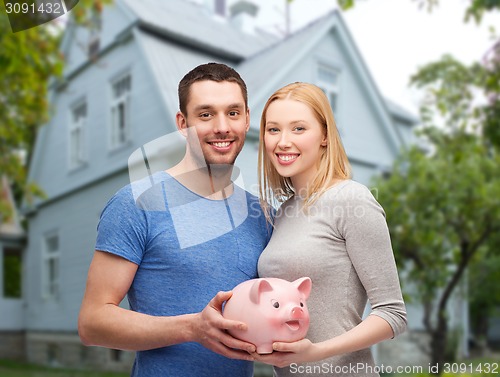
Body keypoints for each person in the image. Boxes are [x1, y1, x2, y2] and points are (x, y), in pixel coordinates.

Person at [78, 63, 271, 377]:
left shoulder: (261, 215)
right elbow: (92, 323)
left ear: (247, 118)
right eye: (206, 115)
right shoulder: (136, 202)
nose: (223, 127)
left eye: (233, 113)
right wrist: (192, 328)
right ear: (183, 124)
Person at [254, 82, 407, 376]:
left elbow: (393, 314)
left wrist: (316, 352)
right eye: (273, 130)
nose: (283, 141)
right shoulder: (284, 212)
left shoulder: (352, 199)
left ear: (325, 135)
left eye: (298, 128)